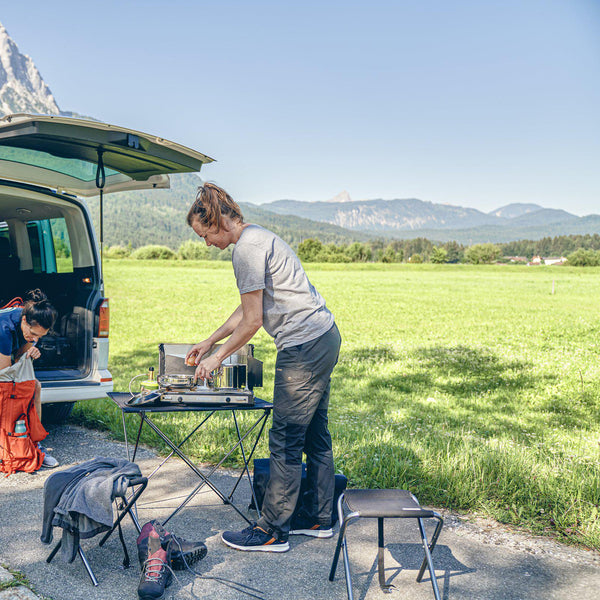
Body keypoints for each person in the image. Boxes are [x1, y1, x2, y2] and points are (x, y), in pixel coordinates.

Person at [185, 183, 341, 552]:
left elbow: (253, 320)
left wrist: (216, 358)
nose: (206, 243)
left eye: (204, 234)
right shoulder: (258, 239)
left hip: (303, 346)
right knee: (315, 433)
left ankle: (272, 529)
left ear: (218, 221)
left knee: (286, 437)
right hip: (323, 336)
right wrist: (209, 341)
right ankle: (319, 518)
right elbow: (246, 308)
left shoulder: (246, 250)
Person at [0, 288, 59, 468]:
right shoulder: (4, 327)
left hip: (6, 360)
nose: (33, 338)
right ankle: (8, 446)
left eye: (39, 337)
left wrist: (30, 352)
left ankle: (34, 444)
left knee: (34, 387)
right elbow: (5, 373)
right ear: (24, 321)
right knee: (9, 391)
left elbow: (18, 359)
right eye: (32, 334)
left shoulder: (33, 325)